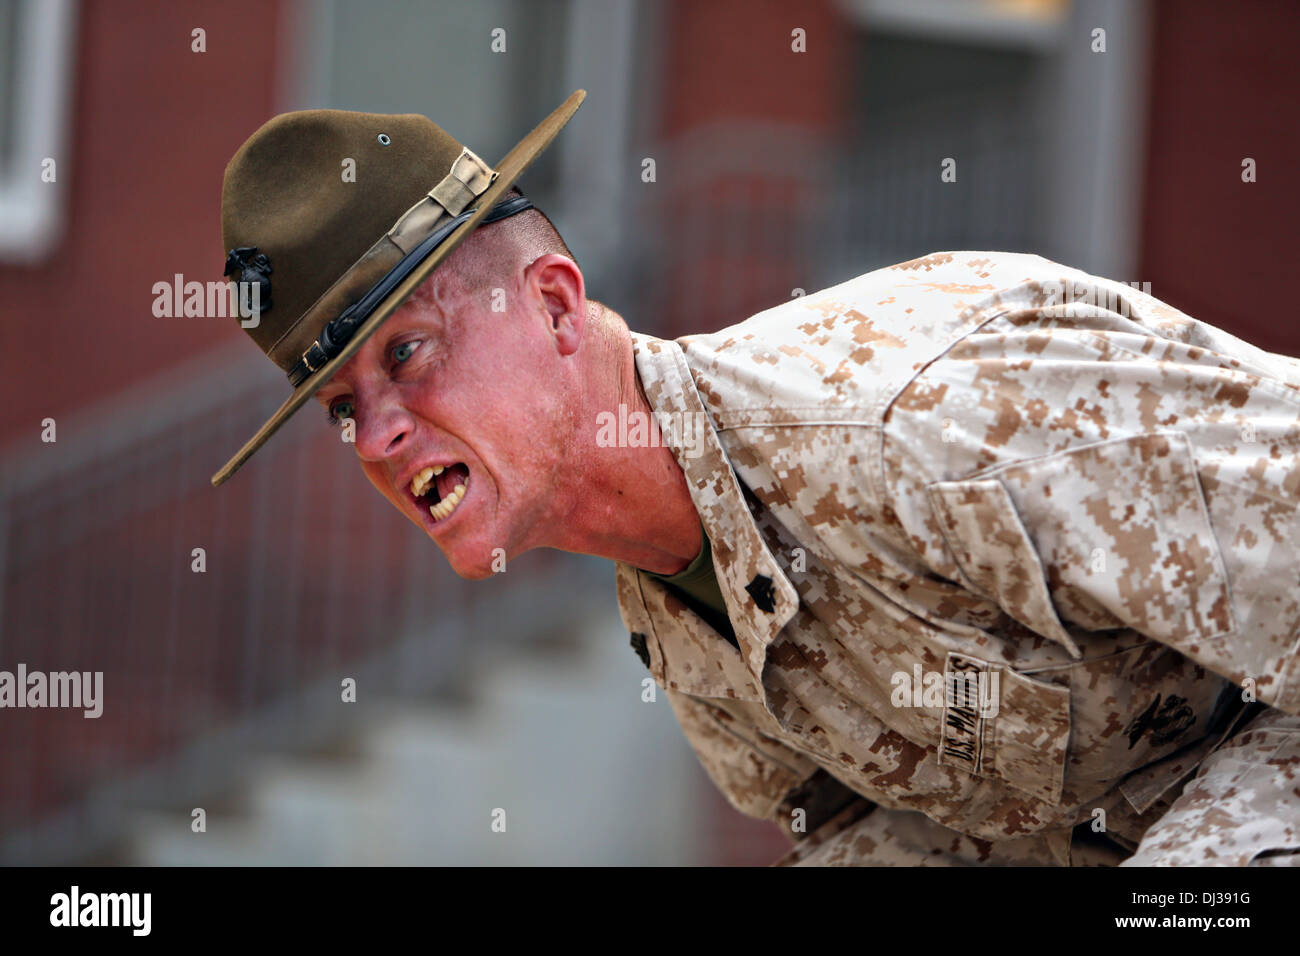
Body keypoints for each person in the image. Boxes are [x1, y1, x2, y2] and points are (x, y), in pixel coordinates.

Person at [212, 93, 1300, 865]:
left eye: (405, 353)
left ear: (550, 303)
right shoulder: (671, 609)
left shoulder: (923, 420)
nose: (378, 436)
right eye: (343, 408)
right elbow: (909, 838)